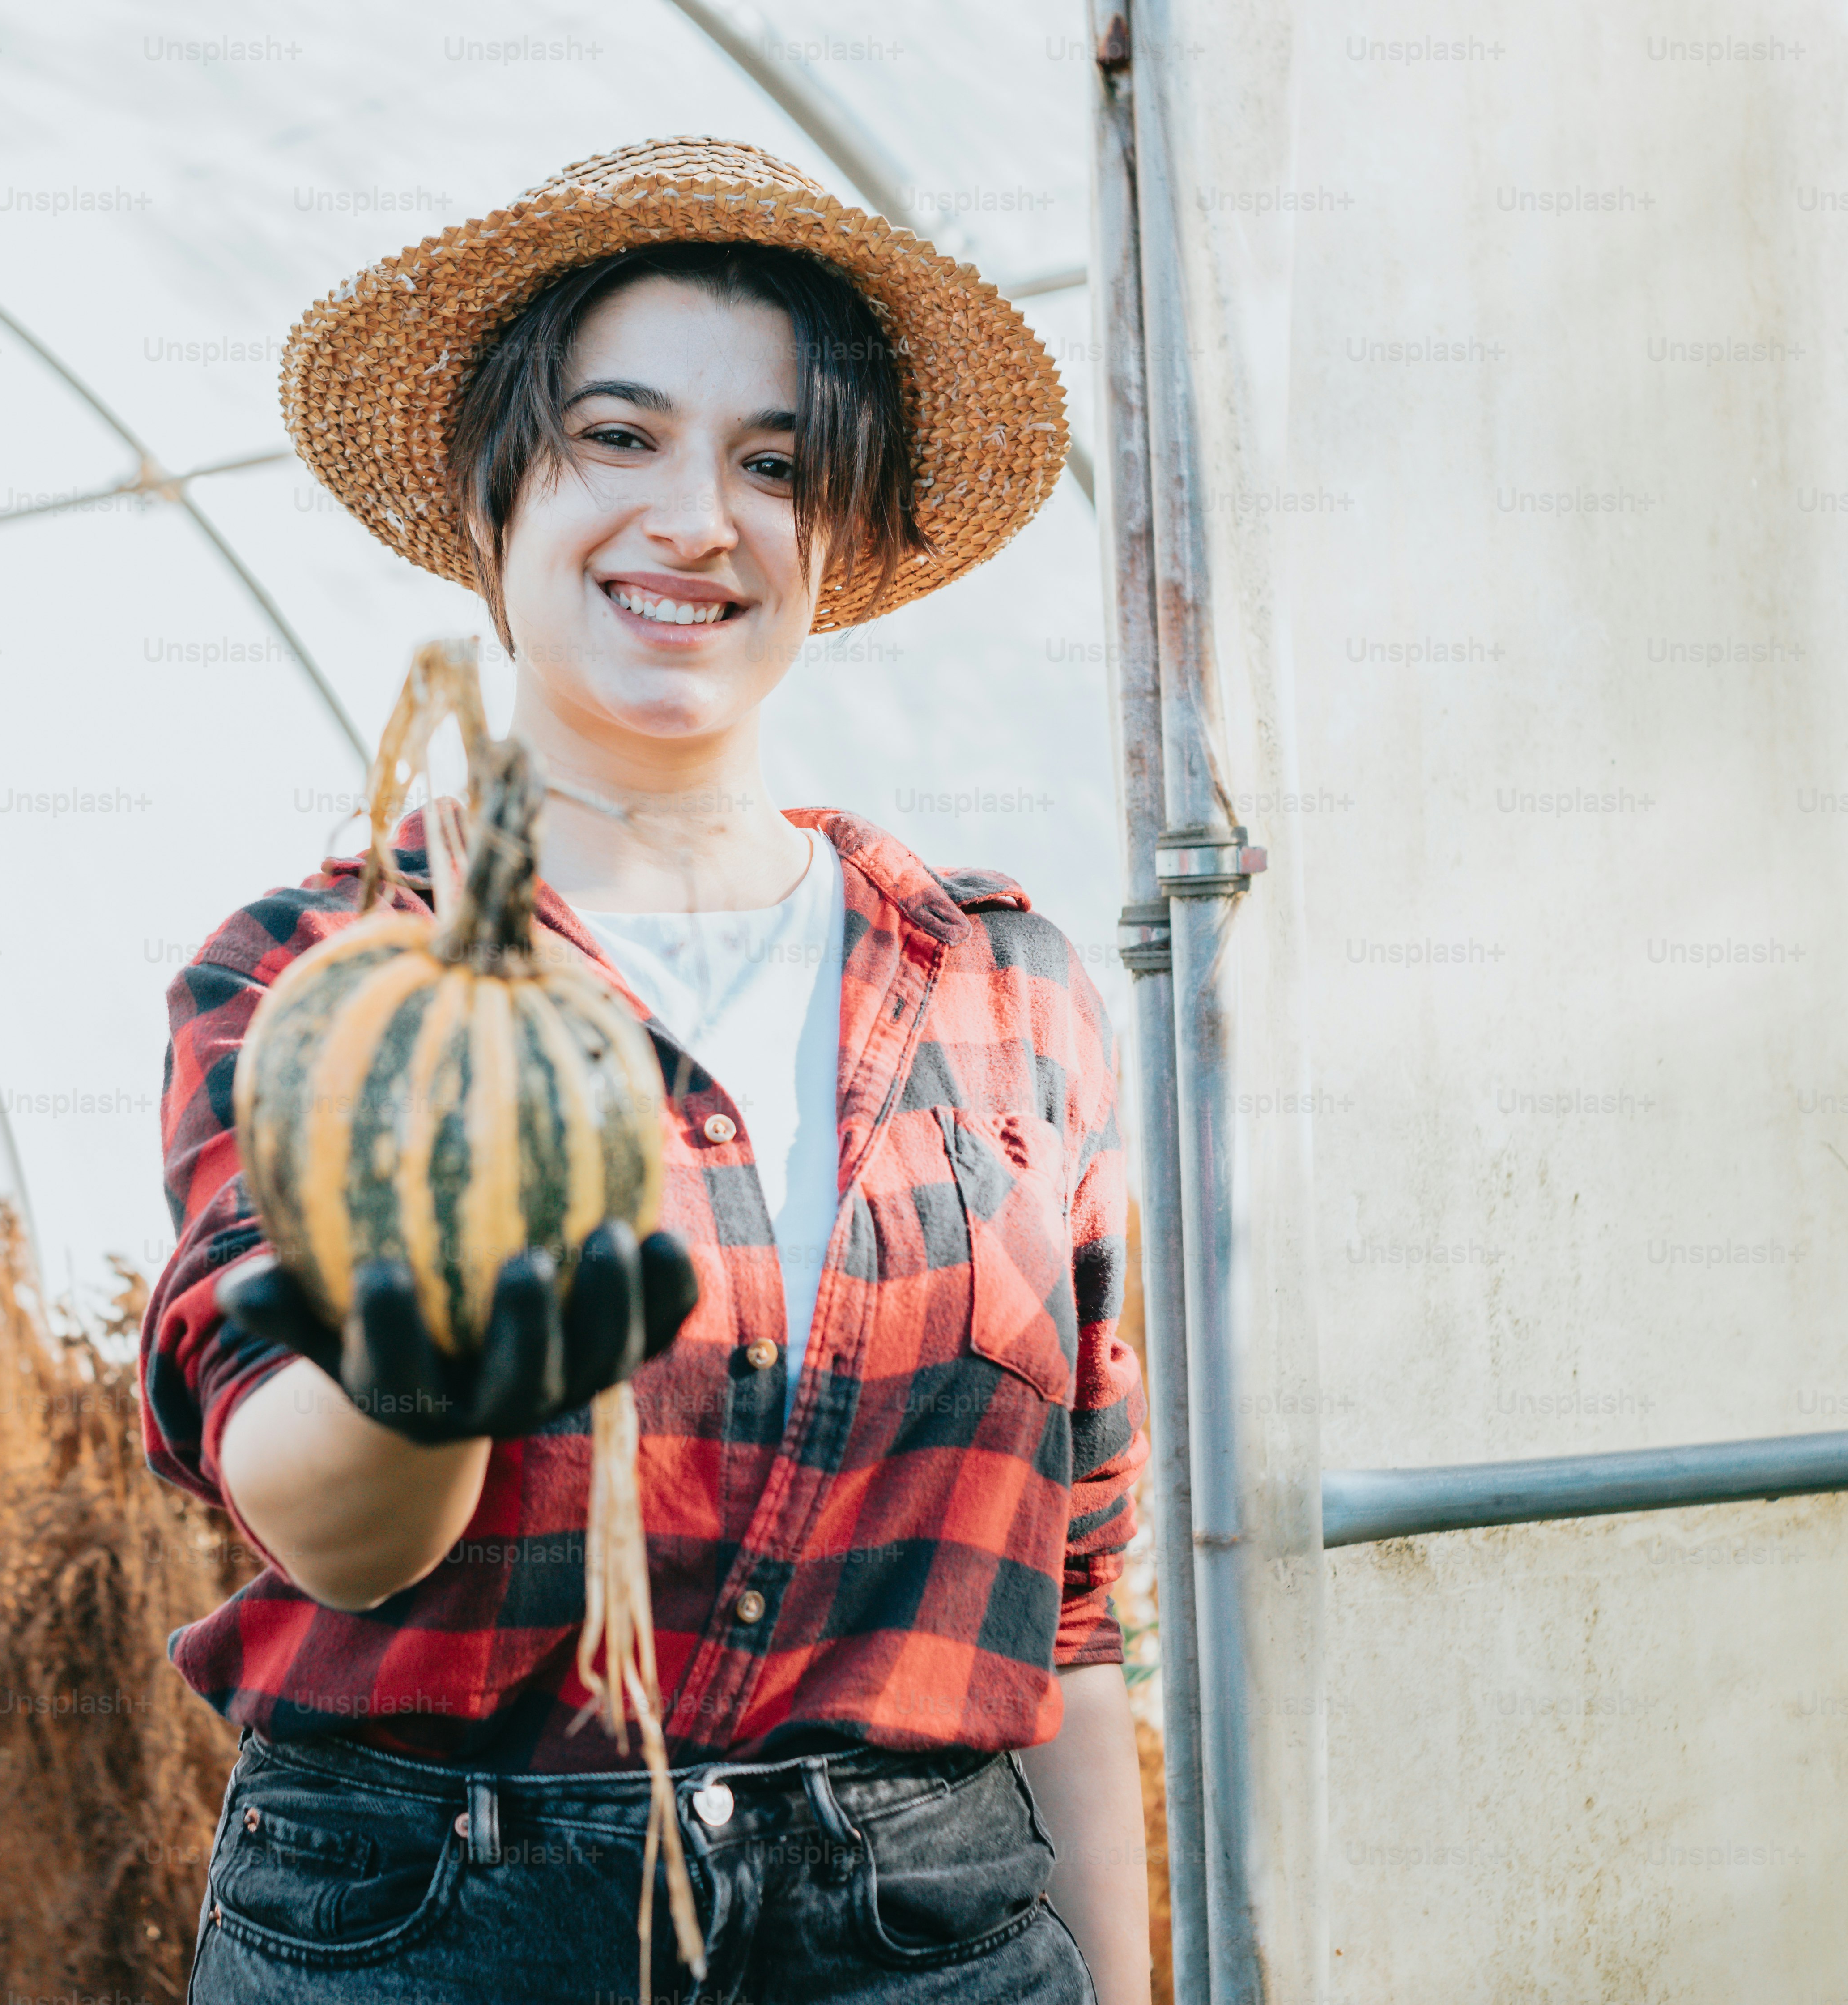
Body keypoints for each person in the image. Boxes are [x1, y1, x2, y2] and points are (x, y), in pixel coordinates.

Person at [141, 137, 1150, 2004]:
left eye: (774, 462)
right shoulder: (326, 980)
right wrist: (423, 1375)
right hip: (438, 1924)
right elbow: (316, 1513)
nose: (699, 516)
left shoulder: (1008, 988)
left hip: (934, 1934)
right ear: (494, 497)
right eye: (621, 438)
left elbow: (1068, 1626)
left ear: (835, 538)